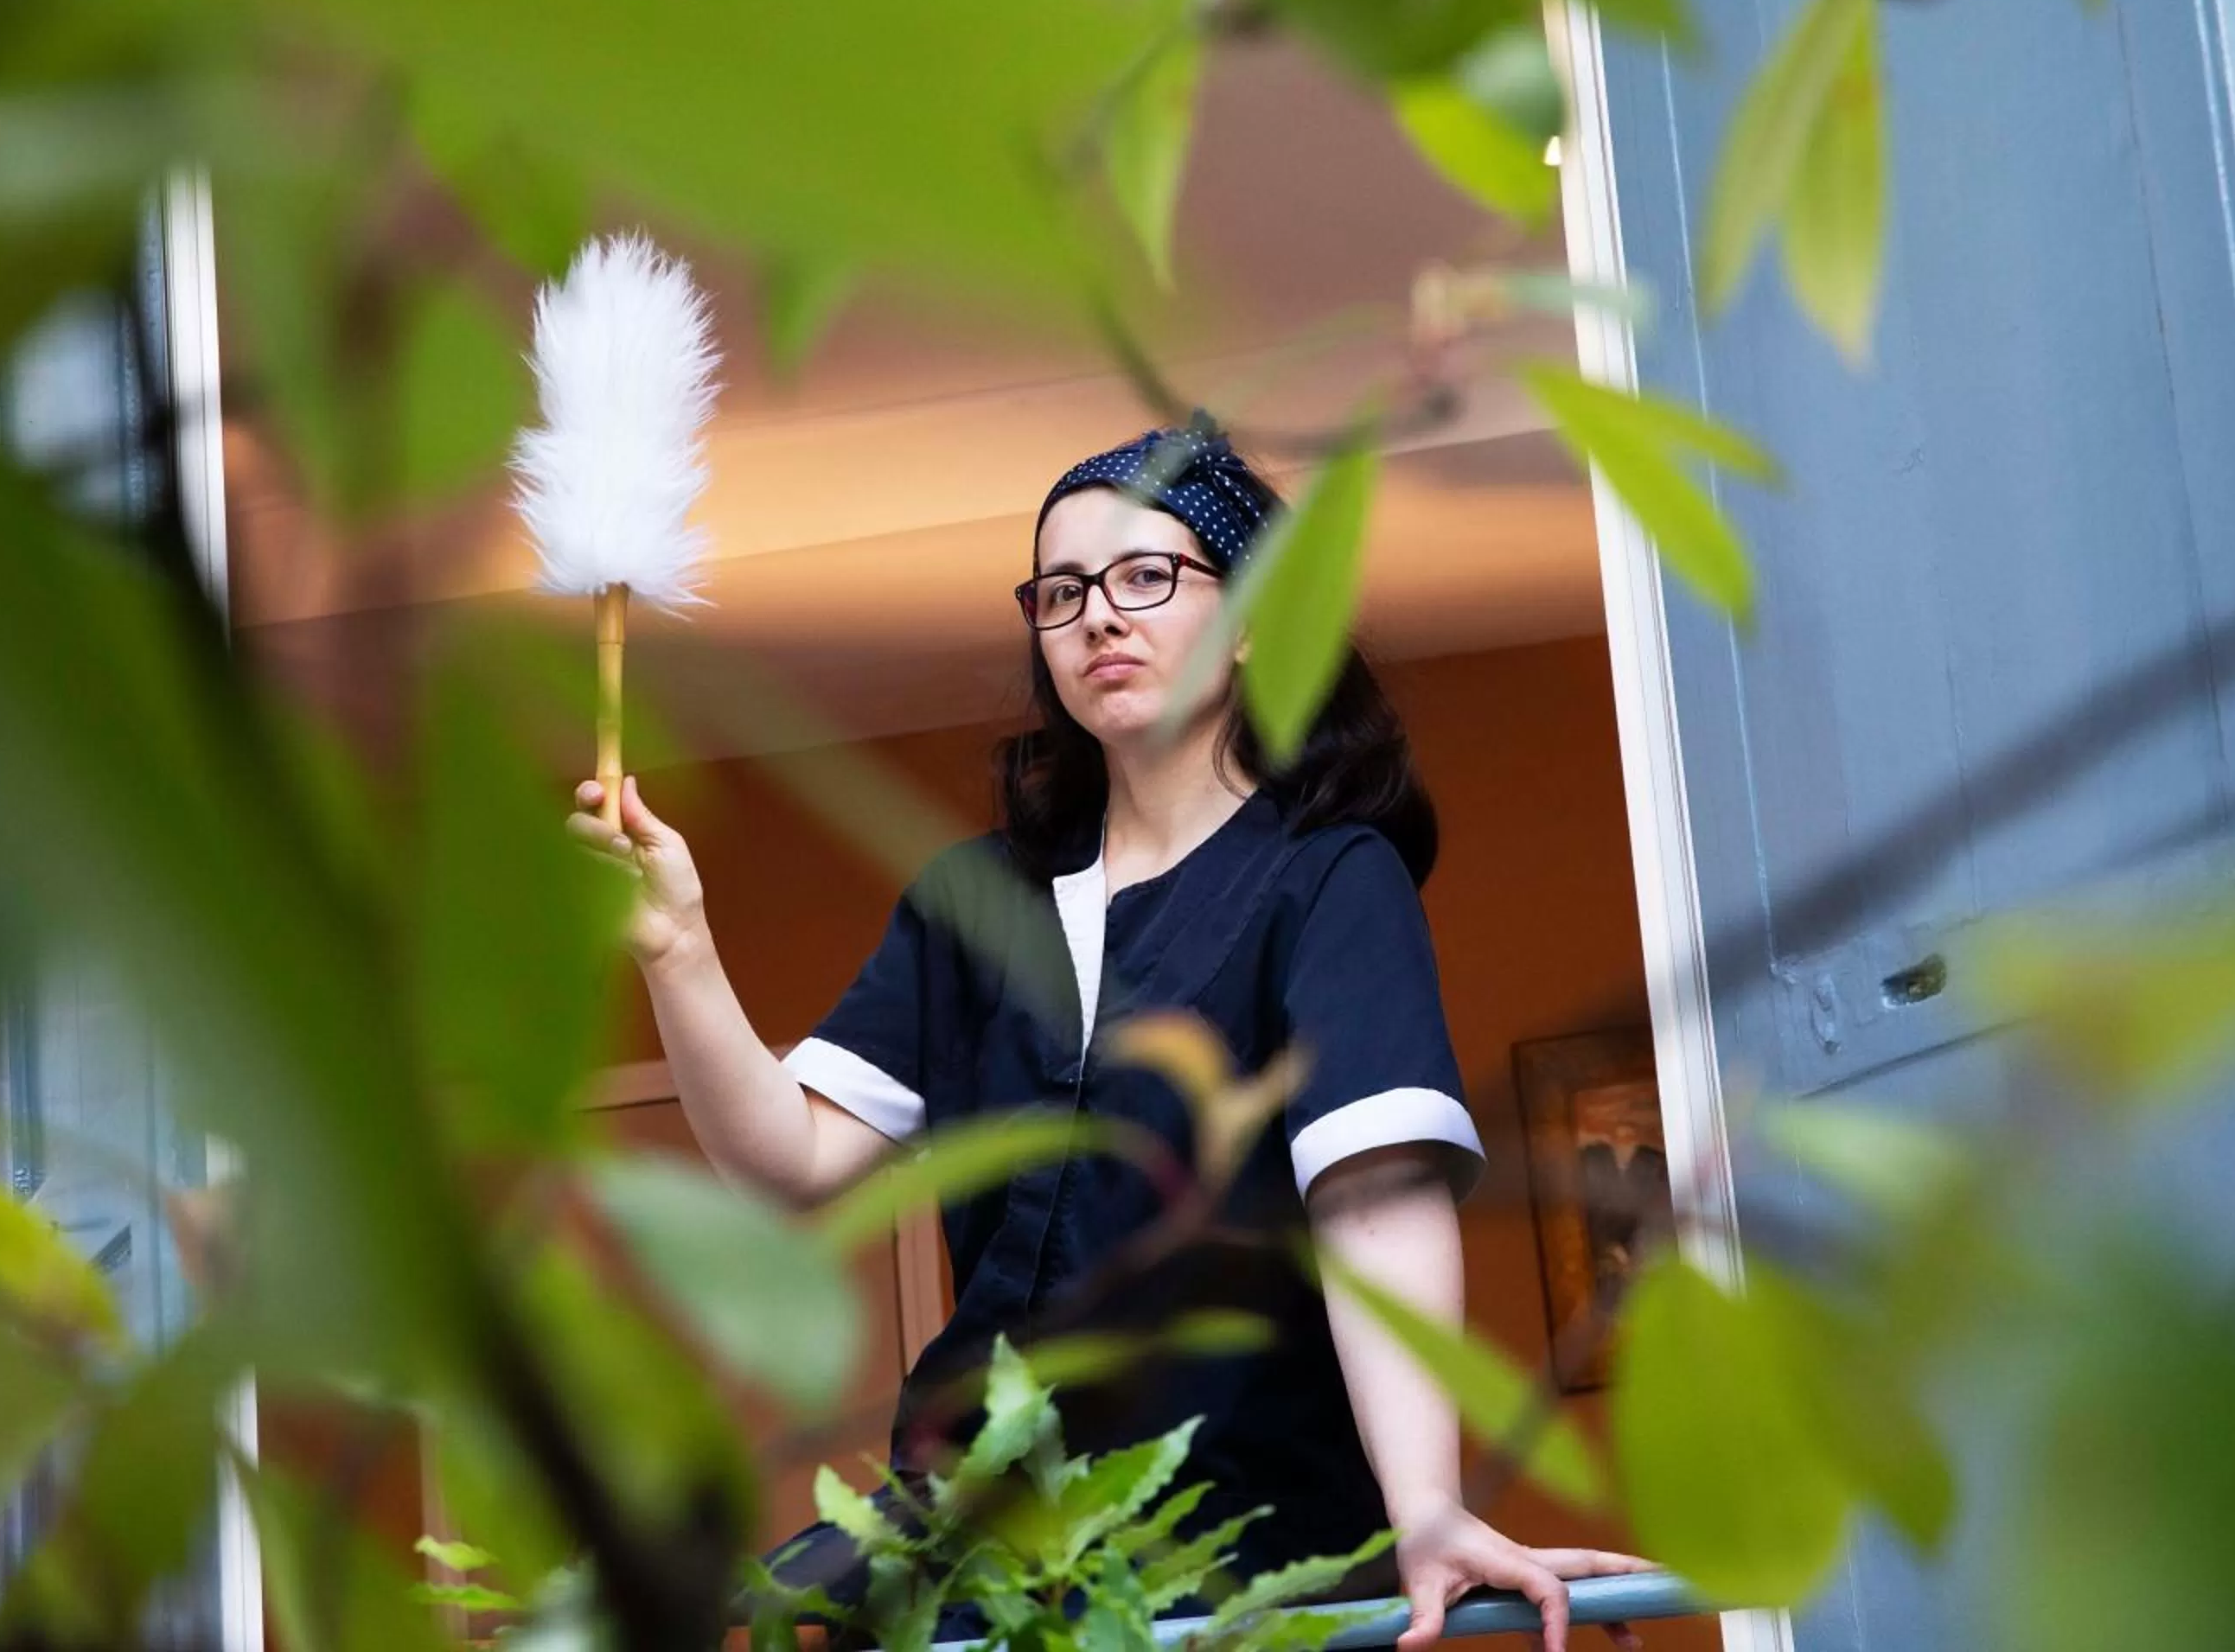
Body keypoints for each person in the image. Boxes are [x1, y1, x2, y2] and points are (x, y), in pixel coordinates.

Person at [569, 417, 1650, 1651]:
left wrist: (1427, 1509)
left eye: (1149, 577)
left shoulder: (1329, 880)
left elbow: (1372, 1194)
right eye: (1063, 591)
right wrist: (680, 951)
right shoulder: (973, 901)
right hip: (967, 1539)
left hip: (1233, 1536)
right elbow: (793, 1161)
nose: (1099, 617)